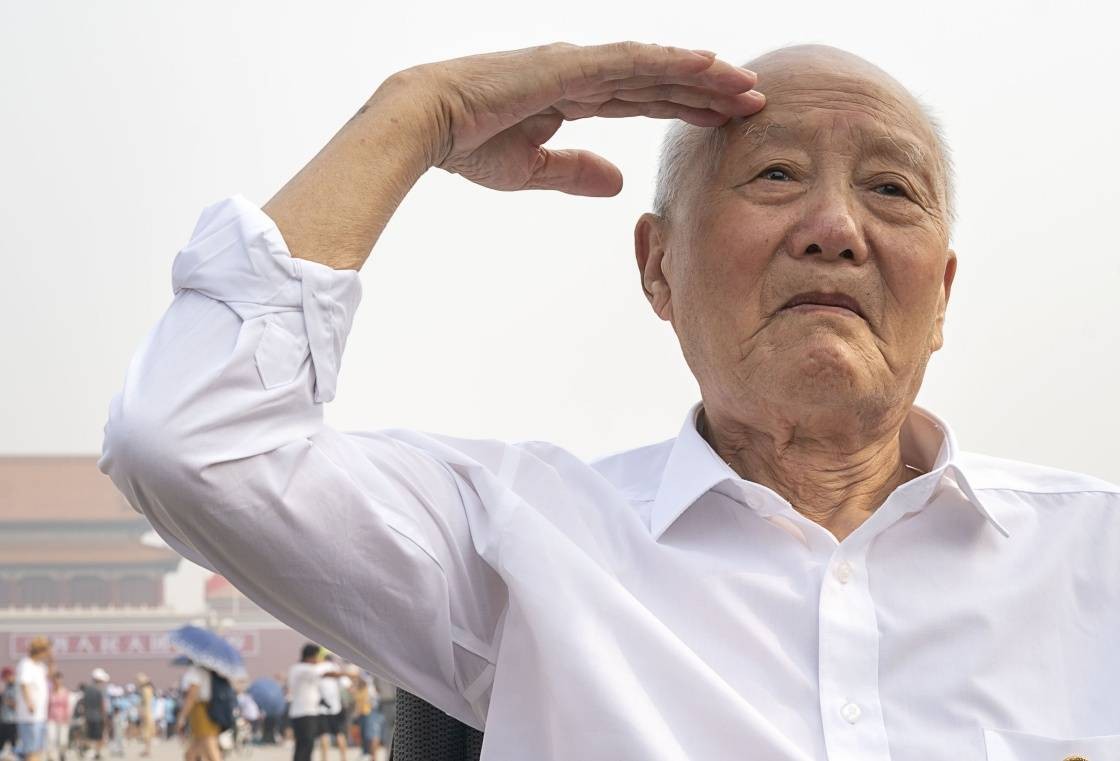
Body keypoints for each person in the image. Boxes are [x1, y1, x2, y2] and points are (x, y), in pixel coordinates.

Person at [98, 41, 1120, 761]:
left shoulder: (1092, 559)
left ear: (941, 297)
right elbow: (187, 440)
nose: (835, 228)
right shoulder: (525, 545)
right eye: (775, 174)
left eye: (890, 190)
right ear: (657, 265)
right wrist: (420, 111)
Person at [285, 645, 340, 761]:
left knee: (304, 745)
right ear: (311, 657)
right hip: (305, 713)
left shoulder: (298, 668)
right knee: (306, 745)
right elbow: (326, 673)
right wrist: (348, 674)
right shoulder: (304, 668)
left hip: (303, 713)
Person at [174, 662, 220, 761]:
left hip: (202, 711)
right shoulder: (210, 670)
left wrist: (182, 717)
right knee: (191, 753)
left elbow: (191, 696)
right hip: (211, 709)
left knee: (209, 745)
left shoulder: (196, 671)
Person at [15, 638, 52, 761]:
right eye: (47, 651)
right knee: (31, 752)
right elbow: (24, 684)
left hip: (40, 716)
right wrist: (29, 703)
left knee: (38, 750)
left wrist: (51, 661)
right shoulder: (26, 664)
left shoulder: (40, 666)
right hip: (29, 717)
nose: (48, 653)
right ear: (40, 650)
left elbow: (51, 675)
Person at [316, 656, 346, 761]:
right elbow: (346, 684)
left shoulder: (318, 667)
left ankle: (324, 759)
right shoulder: (336, 667)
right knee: (339, 733)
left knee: (324, 734)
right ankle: (343, 758)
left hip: (322, 708)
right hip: (336, 708)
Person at [44, 672, 71, 761]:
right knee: (51, 738)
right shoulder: (50, 692)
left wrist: (67, 718)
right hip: (51, 718)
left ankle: (62, 754)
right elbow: (47, 705)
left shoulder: (65, 692)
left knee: (62, 740)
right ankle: (51, 757)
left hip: (62, 719)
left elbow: (67, 706)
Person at [135, 675, 155, 758]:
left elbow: (145, 703)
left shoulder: (145, 690)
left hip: (146, 713)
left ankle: (147, 750)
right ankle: (147, 750)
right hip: (149, 712)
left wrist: (141, 712)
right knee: (147, 732)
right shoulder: (149, 689)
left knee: (146, 732)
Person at [0, 667, 17, 761]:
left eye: (6, 677)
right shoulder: (6, 687)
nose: (4, 680)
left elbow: (17, 705)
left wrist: (6, 701)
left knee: (13, 744)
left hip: (13, 720)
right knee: (2, 743)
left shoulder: (17, 688)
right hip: (4, 720)